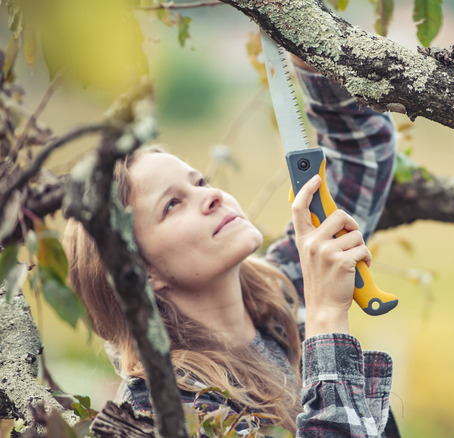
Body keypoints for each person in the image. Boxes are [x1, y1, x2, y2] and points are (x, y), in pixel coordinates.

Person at [63, 63, 400, 437]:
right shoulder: (167, 414)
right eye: (172, 204)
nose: (210, 196)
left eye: (200, 182)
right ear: (139, 273)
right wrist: (326, 320)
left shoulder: (282, 292)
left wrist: (312, 58)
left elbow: (362, 158)